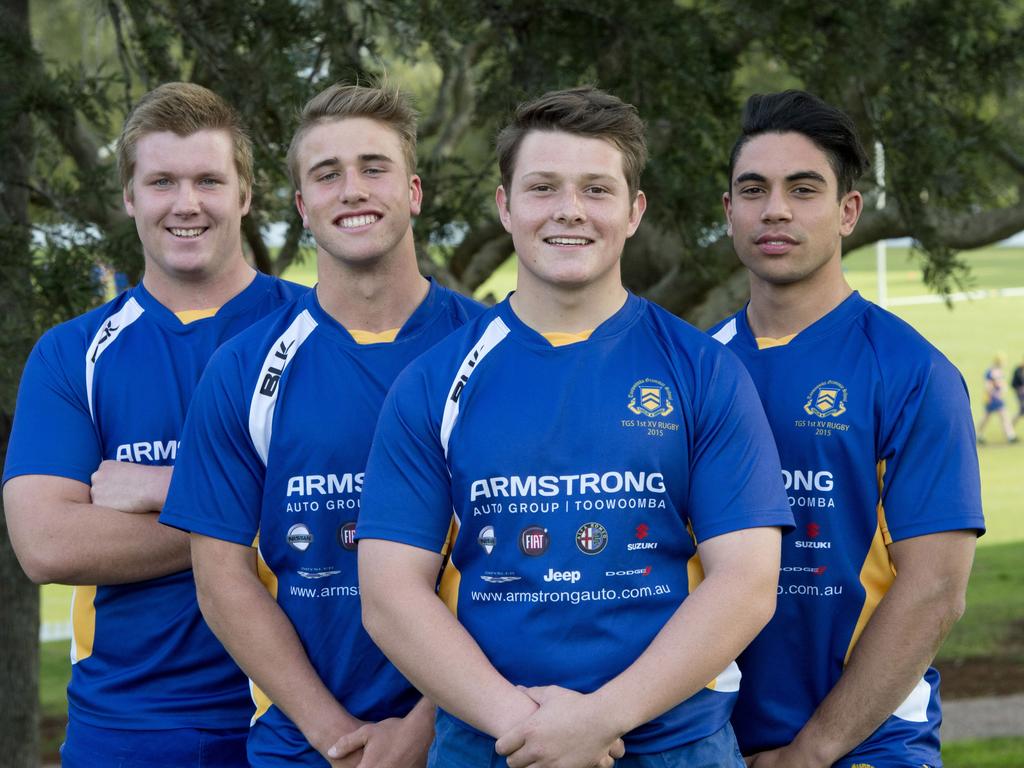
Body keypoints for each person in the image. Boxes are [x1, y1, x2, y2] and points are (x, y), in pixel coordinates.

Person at [355, 86, 793, 768]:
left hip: (676, 745)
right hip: (489, 743)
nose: (569, 211)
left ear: (633, 211)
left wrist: (600, 720)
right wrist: (528, 728)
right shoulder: (433, 383)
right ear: (505, 206)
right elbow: (389, 595)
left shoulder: (704, 371)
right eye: (542, 187)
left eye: (595, 189)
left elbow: (747, 582)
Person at [160, 82, 483, 767]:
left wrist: (423, 727)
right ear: (304, 207)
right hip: (305, 746)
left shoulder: (495, 350)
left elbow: (523, 568)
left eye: (374, 168)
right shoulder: (243, 368)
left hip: (475, 734)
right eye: (328, 175)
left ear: (415, 191)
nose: (353, 190)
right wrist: (333, 732)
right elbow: (221, 579)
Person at [3, 83, 305, 767]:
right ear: (131, 197)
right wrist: (270, 506)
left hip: (306, 720)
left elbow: (359, 510)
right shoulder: (73, 353)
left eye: (208, 180)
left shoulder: (318, 333)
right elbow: (47, 544)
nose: (186, 203)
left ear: (246, 195)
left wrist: (165, 486)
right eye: (162, 181)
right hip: (129, 728)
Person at [710, 90, 985, 767]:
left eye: (804, 189)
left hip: (869, 747)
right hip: (711, 743)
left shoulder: (911, 372)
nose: (775, 209)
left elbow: (936, 593)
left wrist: (812, 751)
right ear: (729, 212)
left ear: (848, 212)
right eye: (754, 190)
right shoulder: (696, 370)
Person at [976, 352, 1017, 443]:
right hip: (992, 399)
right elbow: (988, 386)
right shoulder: (991, 372)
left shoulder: (997, 371)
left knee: (999, 416)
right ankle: (1010, 436)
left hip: (996, 398)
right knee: (995, 417)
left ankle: (1010, 435)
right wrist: (995, 393)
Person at [1013, 354, 1024, 428]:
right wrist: (1019, 388)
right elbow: (1013, 383)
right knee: (1022, 410)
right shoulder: (1018, 370)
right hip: (1020, 393)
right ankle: (1010, 426)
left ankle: (1009, 427)